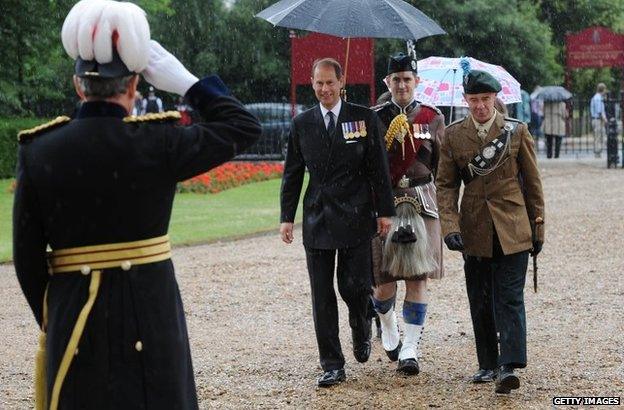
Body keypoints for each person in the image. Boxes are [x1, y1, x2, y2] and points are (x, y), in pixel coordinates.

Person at [12, 1, 261, 408]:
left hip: (75, 313)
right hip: (152, 312)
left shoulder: (40, 151)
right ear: (133, 86)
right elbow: (242, 126)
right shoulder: (158, 143)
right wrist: (189, 84)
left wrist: (55, 312)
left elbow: (27, 257)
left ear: (78, 86)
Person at [279, 58, 395, 387]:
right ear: (312, 83)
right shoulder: (302, 123)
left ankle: (361, 322)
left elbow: (378, 169)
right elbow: (292, 173)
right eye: (319, 83)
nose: (325, 89)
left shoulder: (363, 117)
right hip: (318, 217)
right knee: (321, 294)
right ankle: (331, 363)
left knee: (353, 287)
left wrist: (384, 210)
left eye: (330, 83)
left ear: (341, 82)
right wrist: (287, 217)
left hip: (357, 216)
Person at [436, 59, 545, 394]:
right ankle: (487, 363)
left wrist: (538, 229)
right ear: (465, 101)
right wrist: (449, 226)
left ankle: (509, 365)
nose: (480, 105)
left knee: (509, 297)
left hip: (513, 226)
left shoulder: (517, 131)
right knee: (480, 297)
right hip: (475, 228)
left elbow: (533, 183)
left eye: (486, 98)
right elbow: (445, 185)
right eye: (474, 99)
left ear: (496, 98)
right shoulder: (454, 137)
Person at [370, 52, 445, 375]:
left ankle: (411, 348)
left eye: (407, 79)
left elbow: (442, 167)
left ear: (417, 82)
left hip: (421, 202)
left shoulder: (432, 117)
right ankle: (388, 326)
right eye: (396, 79)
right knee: (382, 283)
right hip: (383, 205)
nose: (401, 84)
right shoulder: (372, 117)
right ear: (387, 82)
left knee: (418, 278)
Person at [590, 83, 608, 158]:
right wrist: (605, 120)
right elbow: (599, 111)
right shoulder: (598, 98)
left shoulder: (597, 97)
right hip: (598, 120)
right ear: (602, 90)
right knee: (599, 137)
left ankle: (598, 152)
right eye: (605, 90)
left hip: (596, 119)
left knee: (600, 136)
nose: (605, 91)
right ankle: (597, 153)